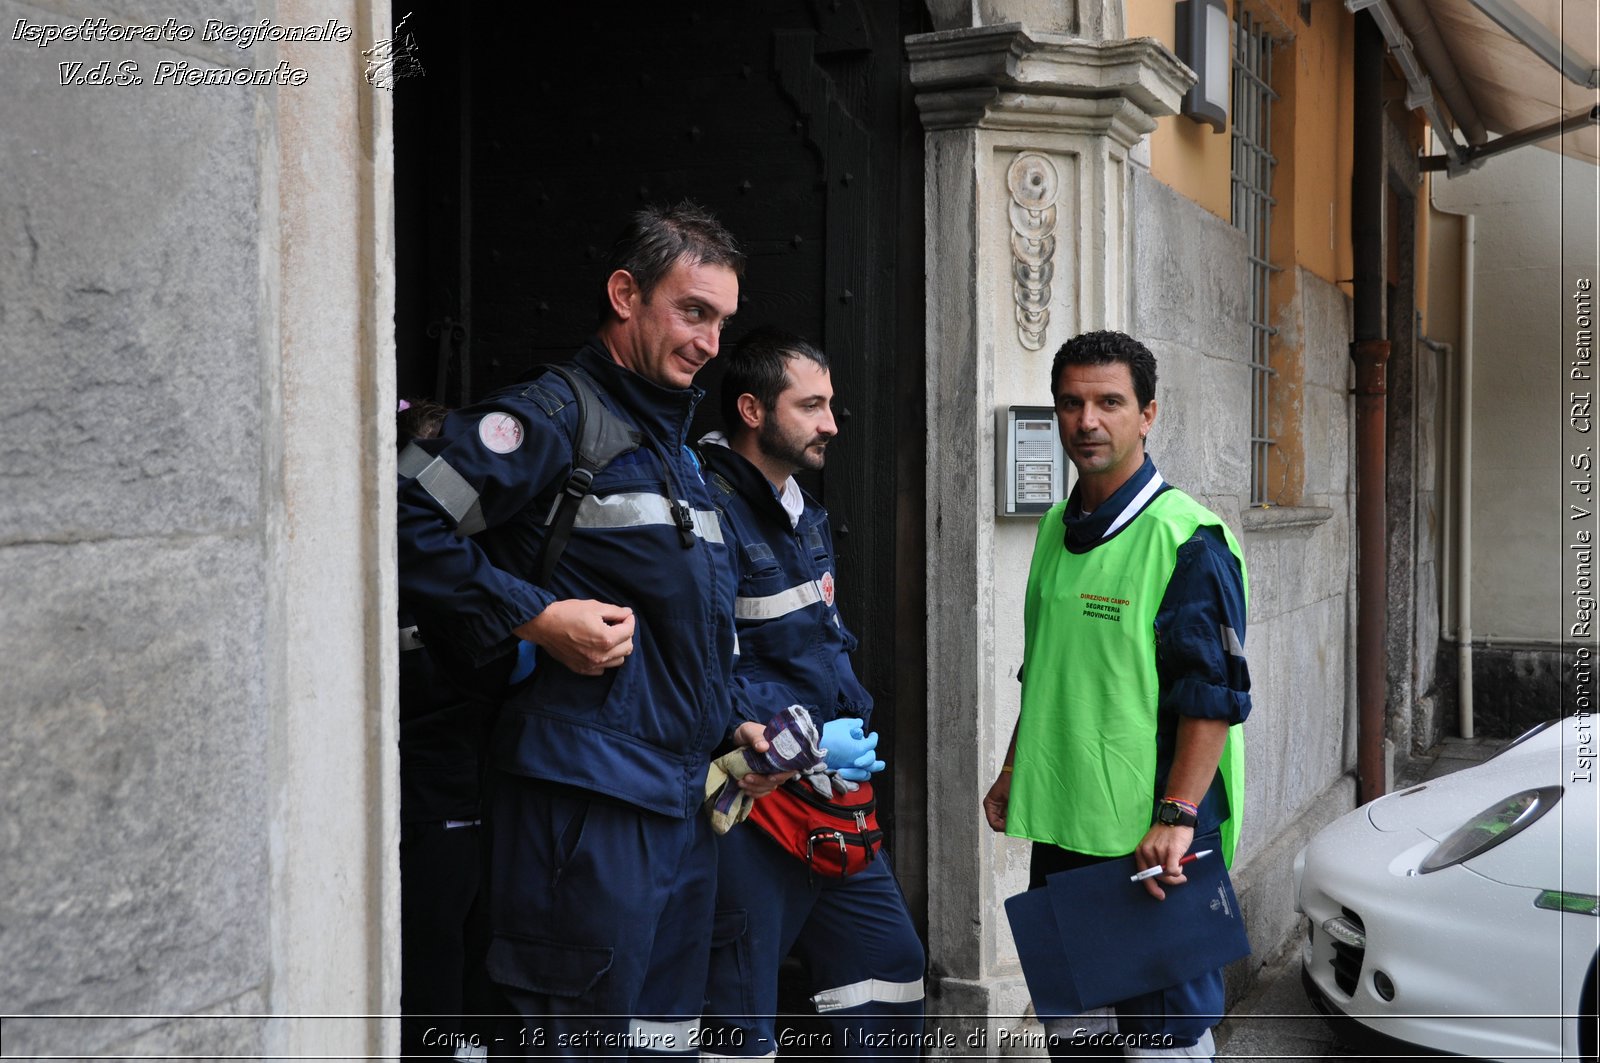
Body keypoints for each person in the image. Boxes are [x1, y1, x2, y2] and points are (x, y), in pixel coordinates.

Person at [396, 202, 785, 1058]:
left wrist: (732, 728)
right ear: (624, 294)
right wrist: (535, 618)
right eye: (693, 311)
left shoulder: (682, 455)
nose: (711, 342)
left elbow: (683, 634)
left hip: (683, 809)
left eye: (722, 319)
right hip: (580, 814)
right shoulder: (552, 416)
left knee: (657, 1044)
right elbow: (401, 513)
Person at [981, 330, 1251, 1061]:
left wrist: (1177, 816)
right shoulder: (1052, 528)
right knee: (1078, 1034)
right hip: (1066, 823)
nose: (1087, 421)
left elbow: (1212, 696)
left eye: (1109, 402)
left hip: (1150, 839)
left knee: (1163, 1036)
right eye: (1071, 403)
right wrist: (1014, 767)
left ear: (1148, 413)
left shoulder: (1188, 538)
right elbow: (1047, 670)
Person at [698, 328, 925, 1059]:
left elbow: (817, 645)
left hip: (827, 797)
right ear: (753, 409)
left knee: (889, 967)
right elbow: (706, 669)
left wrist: (842, 726)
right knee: (738, 1008)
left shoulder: (801, 506)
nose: (832, 422)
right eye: (813, 405)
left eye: (832, 404)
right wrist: (802, 737)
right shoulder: (710, 511)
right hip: (754, 807)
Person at [395, 397, 500, 1060]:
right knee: (441, 931)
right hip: (441, 759)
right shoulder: (424, 493)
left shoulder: (439, 502)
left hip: (471, 758)